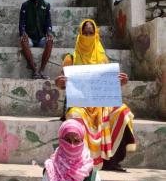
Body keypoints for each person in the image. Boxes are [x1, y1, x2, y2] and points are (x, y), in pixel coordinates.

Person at [55, 19, 136, 172]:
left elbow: (109, 85)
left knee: (122, 111)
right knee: (75, 116)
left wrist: (121, 82)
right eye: (84, 33)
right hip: (80, 105)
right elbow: (61, 84)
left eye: (90, 33)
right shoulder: (70, 58)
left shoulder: (103, 59)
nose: (87, 36)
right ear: (80, 34)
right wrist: (59, 82)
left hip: (101, 104)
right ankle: (81, 162)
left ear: (96, 34)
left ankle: (112, 161)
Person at [19, 0, 54, 79]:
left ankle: (41, 70)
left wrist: (49, 32)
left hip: (41, 38)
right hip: (30, 38)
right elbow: (21, 23)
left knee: (50, 40)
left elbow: (49, 22)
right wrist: (23, 33)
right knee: (23, 40)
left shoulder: (46, 5)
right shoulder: (25, 5)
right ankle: (34, 70)